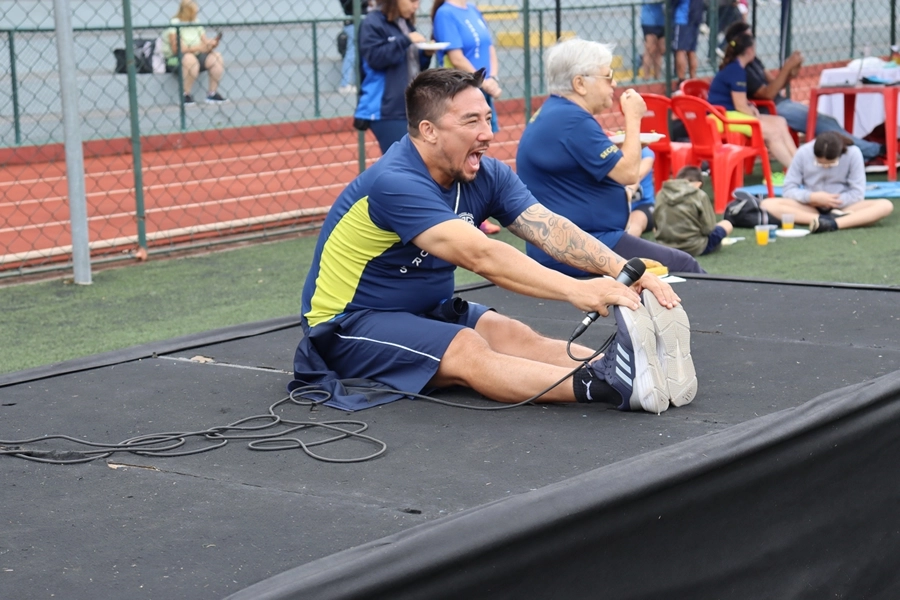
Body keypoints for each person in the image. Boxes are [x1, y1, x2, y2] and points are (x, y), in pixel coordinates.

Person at [291, 68, 697, 416]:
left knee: (513, 334)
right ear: (429, 131)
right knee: (468, 346)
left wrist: (623, 271)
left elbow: (549, 227)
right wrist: (578, 289)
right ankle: (606, 384)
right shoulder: (394, 182)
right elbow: (482, 255)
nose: (488, 134)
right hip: (347, 324)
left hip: (424, 310)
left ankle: (633, 370)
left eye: (488, 118)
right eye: (472, 122)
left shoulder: (485, 173)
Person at [516, 38, 706, 275]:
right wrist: (634, 117)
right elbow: (628, 173)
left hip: (566, 241)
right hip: (581, 245)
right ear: (580, 84)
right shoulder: (572, 121)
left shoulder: (558, 112)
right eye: (607, 77)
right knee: (683, 266)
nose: (614, 83)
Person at [723, 21, 884, 166]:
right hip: (771, 107)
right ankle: (876, 150)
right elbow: (767, 94)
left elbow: (775, 83)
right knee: (821, 123)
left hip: (779, 103)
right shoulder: (740, 70)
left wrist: (791, 72)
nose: (754, 43)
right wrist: (786, 68)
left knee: (828, 121)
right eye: (750, 39)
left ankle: (861, 153)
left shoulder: (753, 62)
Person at [431, 0, 503, 233]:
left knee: (479, 148)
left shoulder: (472, 9)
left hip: (482, 88)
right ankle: (457, 212)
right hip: (460, 92)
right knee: (461, 150)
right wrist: (482, 81)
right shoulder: (445, 13)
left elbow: (489, 47)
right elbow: (457, 57)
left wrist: (493, 78)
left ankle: (475, 212)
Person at [758, 132, 894, 233]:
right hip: (810, 206)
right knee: (767, 204)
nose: (825, 167)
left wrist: (833, 201)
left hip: (844, 207)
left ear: (840, 154)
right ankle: (820, 220)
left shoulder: (853, 153)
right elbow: (788, 189)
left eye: (831, 164)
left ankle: (834, 223)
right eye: (820, 163)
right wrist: (811, 197)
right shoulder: (803, 152)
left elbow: (857, 192)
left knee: (885, 205)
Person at [707, 31, 797, 170]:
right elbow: (740, 106)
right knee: (772, 132)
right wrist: (754, 115)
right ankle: (795, 171)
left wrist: (751, 109)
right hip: (721, 118)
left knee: (780, 122)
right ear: (749, 50)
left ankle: (799, 165)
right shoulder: (736, 70)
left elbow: (741, 103)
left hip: (729, 114)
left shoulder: (735, 68)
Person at [354, 0, 433, 155]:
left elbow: (412, 65)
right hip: (386, 109)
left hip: (409, 105)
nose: (416, 6)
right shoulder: (372, 23)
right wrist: (405, 40)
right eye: (412, 1)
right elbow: (376, 59)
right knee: (403, 162)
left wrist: (425, 54)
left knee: (417, 162)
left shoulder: (404, 23)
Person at [654, 165, 734, 255]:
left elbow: (656, 225)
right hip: (694, 247)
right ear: (698, 184)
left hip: (665, 246)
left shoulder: (661, 193)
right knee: (727, 224)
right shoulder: (699, 195)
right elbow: (708, 229)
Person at [161, 0, 226, 105]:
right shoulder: (174, 23)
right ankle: (185, 95)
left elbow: (204, 41)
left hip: (196, 55)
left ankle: (212, 93)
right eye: (194, 11)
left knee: (217, 57)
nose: (196, 13)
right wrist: (200, 48)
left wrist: (211, 44)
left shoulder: (196, 22)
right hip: (174, 59)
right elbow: (177, 49)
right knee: (190, 59)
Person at [338, 0, 371, 95]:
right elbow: (350, 5)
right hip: (353, 22)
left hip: (361, 20)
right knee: (352, 52)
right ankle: (345, 83)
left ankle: (356, 82)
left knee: (359, 52)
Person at [624, 146, 657, 237]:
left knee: (635, 222)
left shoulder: (645, 153)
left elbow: (635, 178)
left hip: (643, 205)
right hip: (613, 207)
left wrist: (627, 195)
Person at [672, 0, 705, 84]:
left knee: (680, 50)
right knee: (691, 51)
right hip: (695, 19)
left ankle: (681, 80)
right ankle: (693, 79)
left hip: (683, 19)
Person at [639, 0, 666, 80]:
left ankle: (657, 76)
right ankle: (646, 77)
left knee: (660, 50)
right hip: (649, 20)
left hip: (661, 20)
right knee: (650, 49)